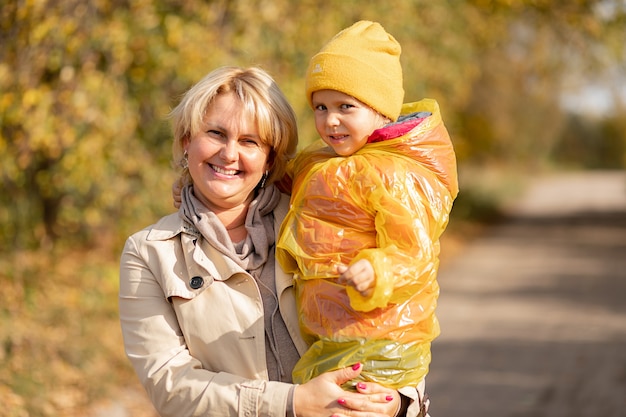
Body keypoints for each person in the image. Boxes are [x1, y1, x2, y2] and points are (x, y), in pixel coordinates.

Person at [119, 66, 407, 417]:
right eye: (215, 133)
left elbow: (401, 307)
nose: (228, 154)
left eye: (249, 141)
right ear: (186, 141)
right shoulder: (149, 252)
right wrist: (293, 403)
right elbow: (171, 385)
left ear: (270, 158)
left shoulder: (323, 215)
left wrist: (398, 399)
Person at [275, 21, 459, 415]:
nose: (331, 121)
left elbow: (416, 251)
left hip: (382, 336)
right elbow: (279, 182)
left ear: (380, 109)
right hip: (332, 332)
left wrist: (377, 269)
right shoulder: (320, 160)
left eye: (346, 107)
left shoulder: (395, 175)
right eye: (320, 107)